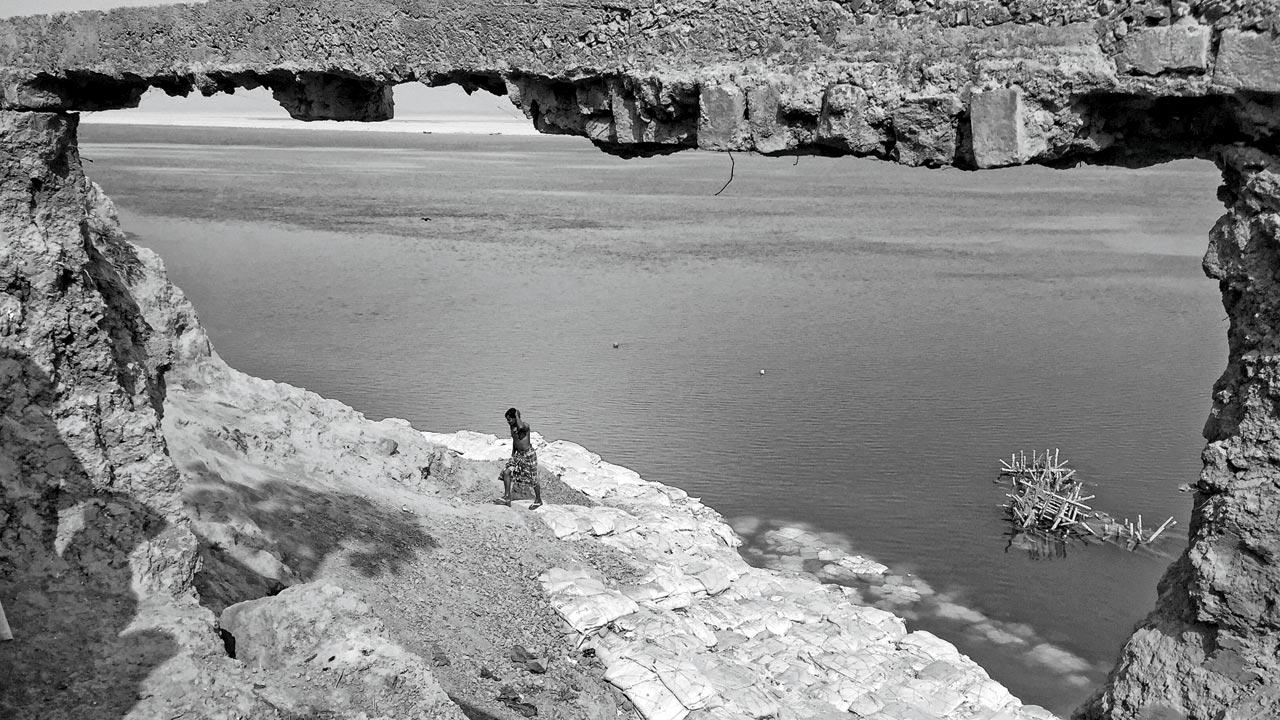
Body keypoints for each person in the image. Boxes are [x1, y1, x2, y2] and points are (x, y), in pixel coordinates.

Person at [500, 407, 542, 509]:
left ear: (516, 418)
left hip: (528, 455)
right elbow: (515, 440)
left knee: (533, 478)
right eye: (507, 419)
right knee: (506, 472)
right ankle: (507, 497)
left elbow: (521, 428)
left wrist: (517, 415)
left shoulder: (525, 426)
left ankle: (538, 500)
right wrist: (513, 453)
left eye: (510, 419)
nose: (508, 422)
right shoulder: (512, 427)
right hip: (518, 455)